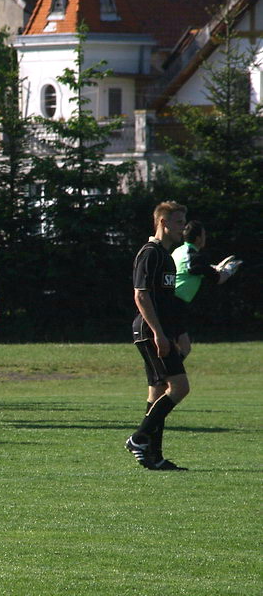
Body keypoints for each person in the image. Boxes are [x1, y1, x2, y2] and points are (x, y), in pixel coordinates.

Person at [125, 201, 191, 471]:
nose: (183, 229)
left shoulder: (167, 256)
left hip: (161, 332)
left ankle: (154, 456)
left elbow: (167, 302)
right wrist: (158, 334)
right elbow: (141, 295)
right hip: (150, 332)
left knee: (157, 392)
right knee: (179, 388)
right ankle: (138, 438)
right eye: (178, 223)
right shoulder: (150, 253)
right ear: (163, 222)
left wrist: (177, 333)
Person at [171, 220, 241, 357]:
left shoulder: (180, 251)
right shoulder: (194, 257)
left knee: (181, 348)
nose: (205, 237)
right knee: (178, 349)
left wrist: (216, 268)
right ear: (198, 238)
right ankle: (164, 377)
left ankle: (165, 376)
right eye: (204, 235)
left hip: (172, 304)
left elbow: (197, 270)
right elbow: (219, 279)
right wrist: (229, 270)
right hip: (173, 305)